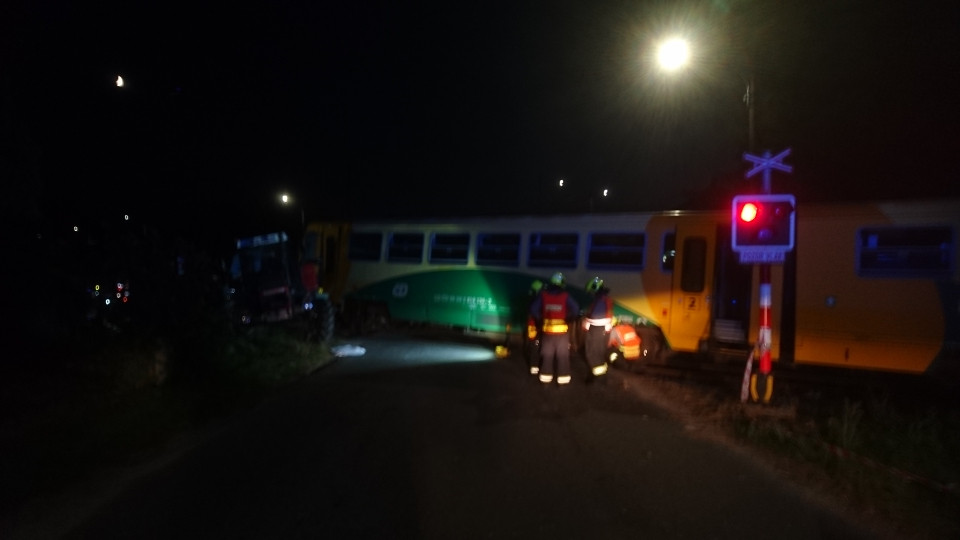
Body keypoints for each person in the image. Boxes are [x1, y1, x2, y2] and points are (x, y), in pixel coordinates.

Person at [529, 272, 579, 386]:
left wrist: (540, 319)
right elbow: (576, 309)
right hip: (562, 334)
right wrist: (568, 318)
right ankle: (563, 381)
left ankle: (545, 381)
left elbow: (533, 309)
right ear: (562, 284)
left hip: (547, 333)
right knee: (563, 356)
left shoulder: (543, 295)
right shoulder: (566, 296)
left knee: (547, 355)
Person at [582, 276, 614, 383]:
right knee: (599, 352)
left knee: (592, 352)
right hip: (602, 330)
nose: (591, 294)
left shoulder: (600, 301)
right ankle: (601, 375)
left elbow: (595, 317)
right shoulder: (605, 299)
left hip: (597, 330)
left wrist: (586, 320)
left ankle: (596, 376)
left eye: (591, 292)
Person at [525, 279, 544, 375]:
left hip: (532, 326)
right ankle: (537, 366)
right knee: (537, 346)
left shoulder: (532, 298)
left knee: (533, 345)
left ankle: (533, 367)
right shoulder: (541, 299)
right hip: (537, 325)